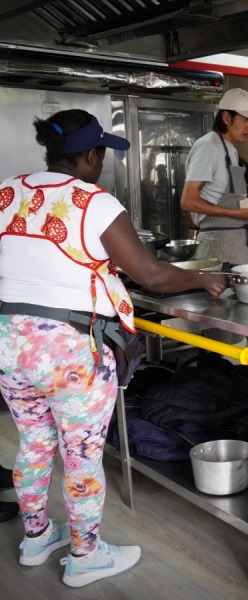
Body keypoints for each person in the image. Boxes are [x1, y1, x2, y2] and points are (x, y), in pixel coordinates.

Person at [0, 109, 228, 587]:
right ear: (89, 154)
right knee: (81, 454)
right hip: (68, 348)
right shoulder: (94, 202)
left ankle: (37, 537)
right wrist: (204, 278)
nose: (101, 163)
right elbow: (151, 275)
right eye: (101, 153)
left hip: (8, 339)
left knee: (35, 441)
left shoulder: (8, 190)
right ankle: (85, 556)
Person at [181, 88, 248, 265]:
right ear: (227, 118)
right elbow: (188, 201)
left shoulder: (231, 150)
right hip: (219, 248)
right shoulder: (209, 146)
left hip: (239, 245)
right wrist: (237, 213)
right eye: (245, 119)